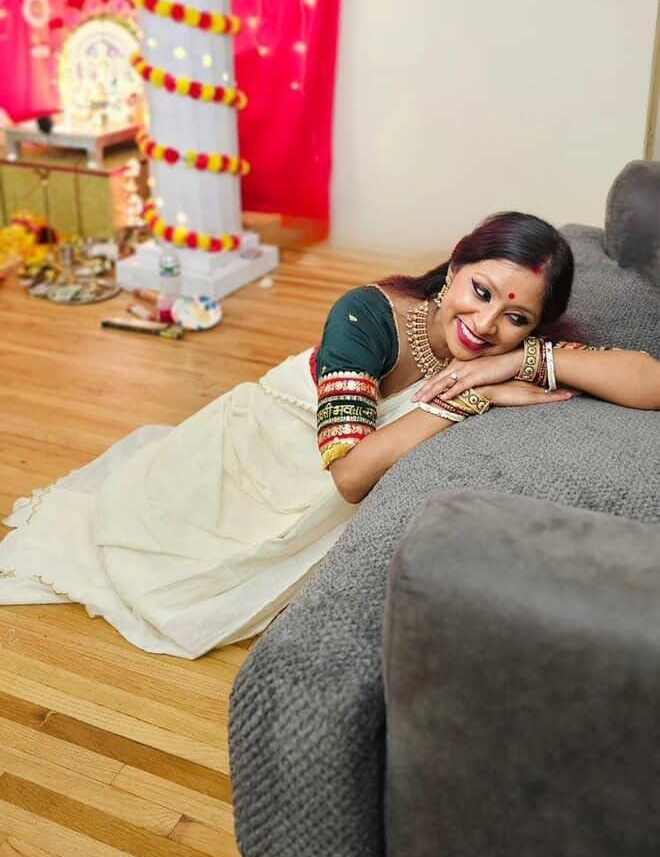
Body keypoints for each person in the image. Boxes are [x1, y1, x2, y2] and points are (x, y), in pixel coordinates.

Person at [0, 211, 657, 659]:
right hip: (255, 453)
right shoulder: (367, 315)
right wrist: (471, 396)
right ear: (455, 266)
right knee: (162, 574)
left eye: (516, 317)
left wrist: (524, 360)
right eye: (480, 291)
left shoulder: (506, 349)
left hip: (324, 475)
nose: (485, 325)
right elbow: (348, 474)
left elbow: (650, 383)